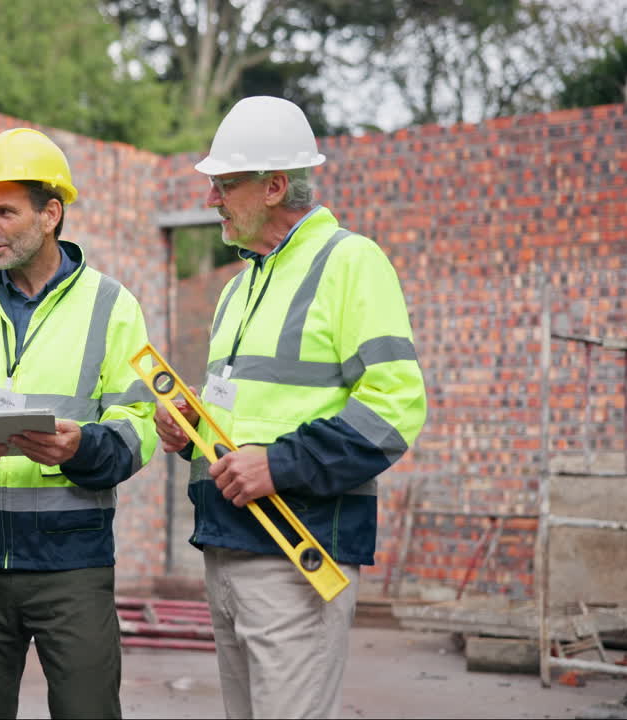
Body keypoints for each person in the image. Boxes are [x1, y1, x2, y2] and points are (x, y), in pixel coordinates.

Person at [154, 96, 427, 719]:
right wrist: (195, 425)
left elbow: (396, 407)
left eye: (225, 184)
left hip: (298, 553)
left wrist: (280, 464)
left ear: (275, 185)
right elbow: (251, 408)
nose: (211, 199)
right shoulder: (239, 284)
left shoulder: (350, 262)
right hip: (227, 547)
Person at [0, 127, 158, 719]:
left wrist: (79, 446)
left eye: (5, 212)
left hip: (72, 567)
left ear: (51, 214)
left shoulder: (111, 306)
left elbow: (137, 426)